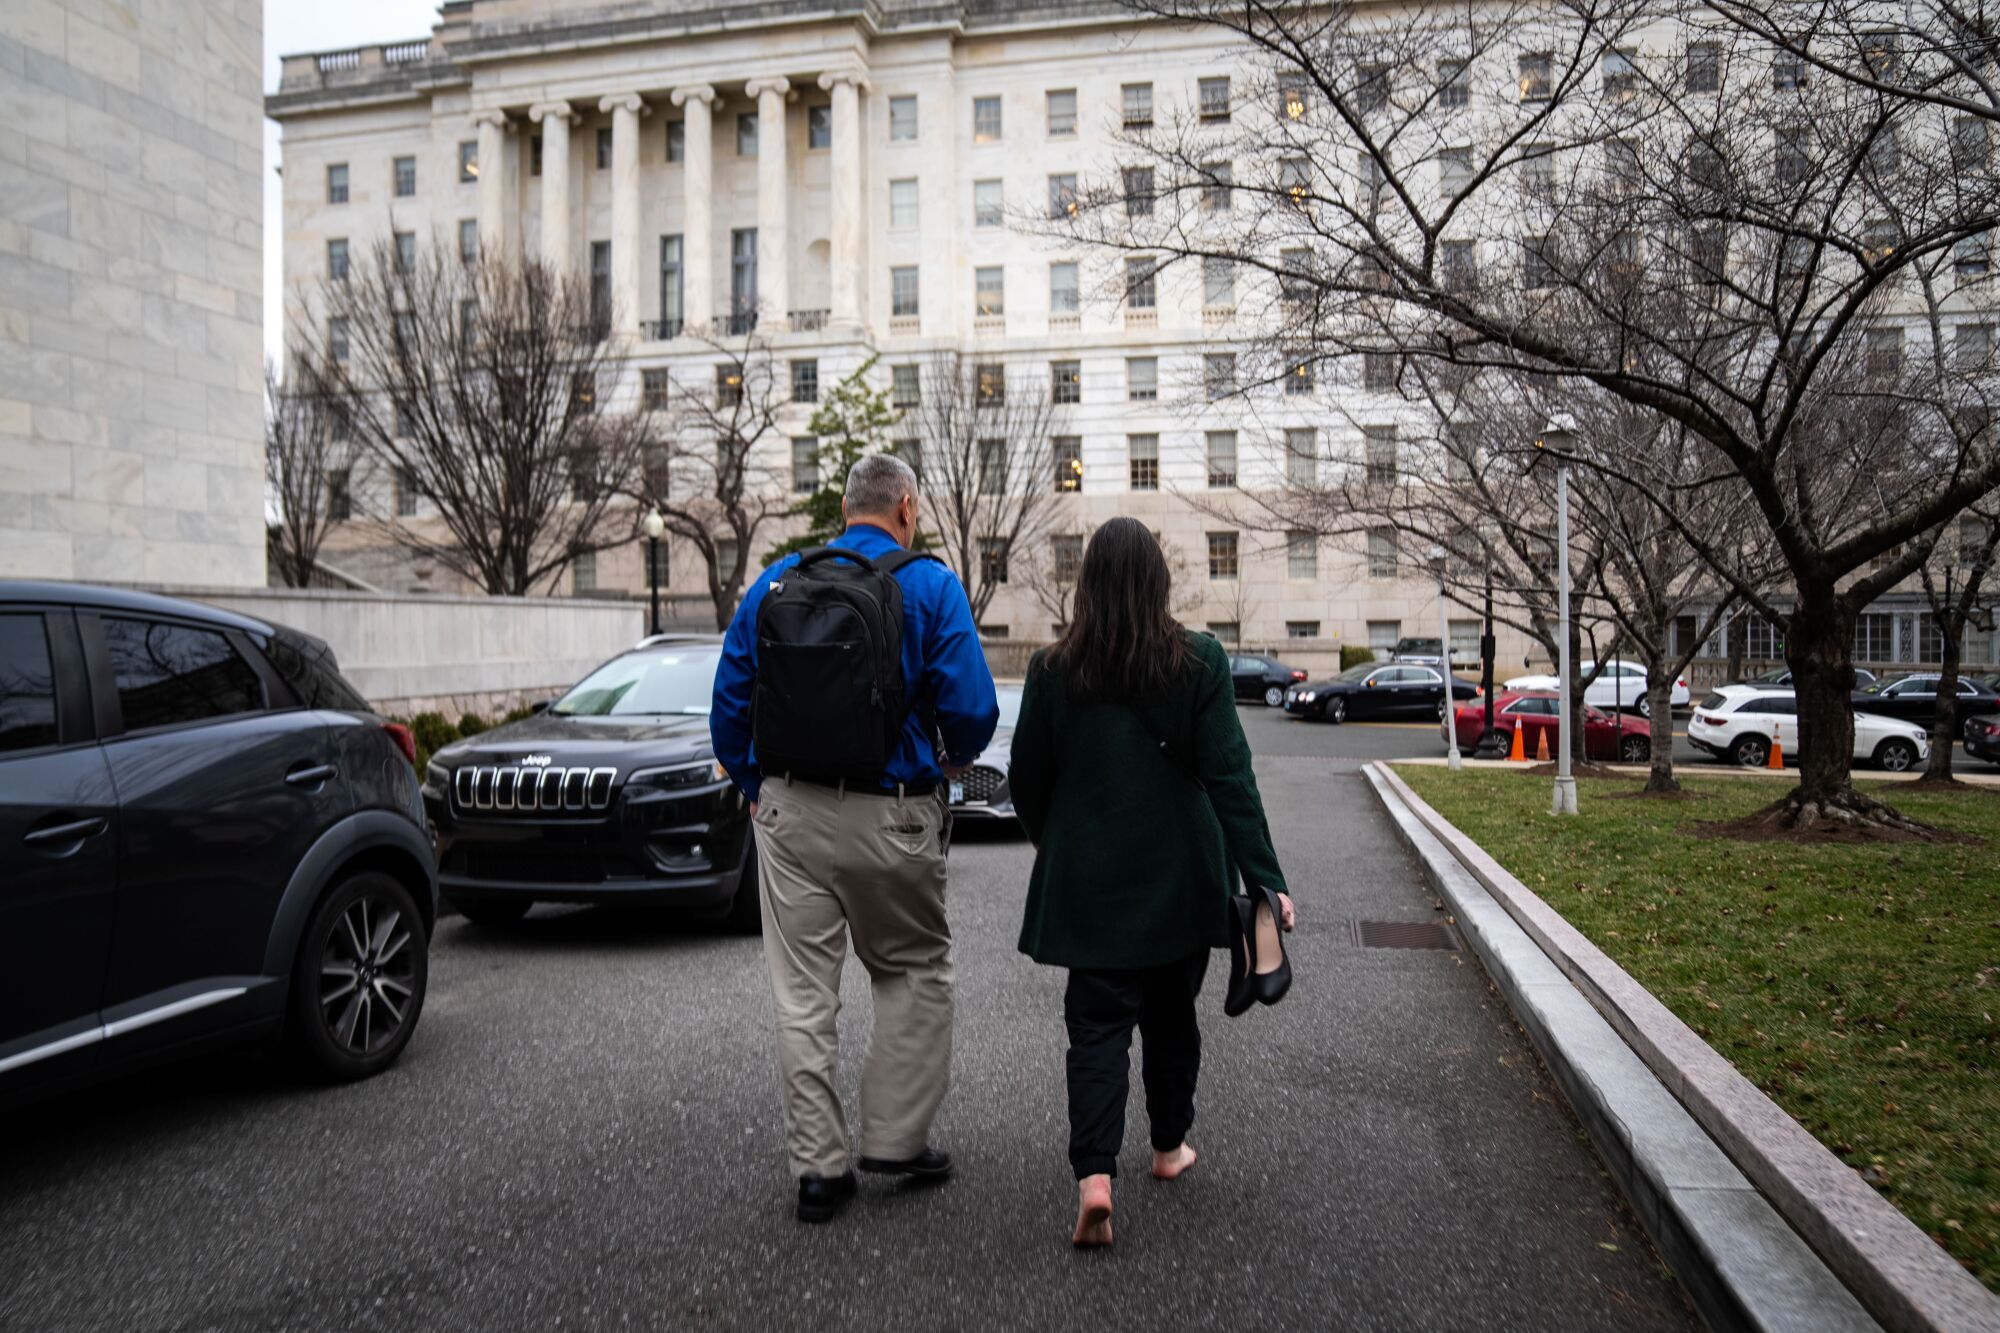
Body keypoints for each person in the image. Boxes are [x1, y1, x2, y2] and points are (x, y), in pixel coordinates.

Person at [711, 452, 1000, 1225]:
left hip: (788, 816)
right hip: (894, 814)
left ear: (845, 509)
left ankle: (819, 1169)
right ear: (906, 506)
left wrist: (756, 790)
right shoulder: (932, 585)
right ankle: (897, 1140)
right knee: (914, 970)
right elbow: (974, 713)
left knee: (802, 995)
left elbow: (728, 708)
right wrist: (942, 762)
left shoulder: (775, 583)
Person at [1008, 517, 1295, 1248]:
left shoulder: (1051, 668)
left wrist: (1054, 838)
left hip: (1089, 882)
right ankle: (1168, 1149)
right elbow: (1231, 776)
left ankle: (1095, 1179)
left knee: (1095, 1030)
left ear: (1089, 584)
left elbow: (1027, 778)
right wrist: (1266, 877)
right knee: (1172, 1021)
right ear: (1160, 580)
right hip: (1179, 878)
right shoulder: (1198, 660)